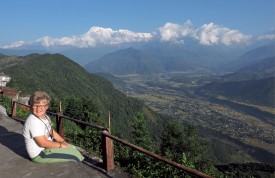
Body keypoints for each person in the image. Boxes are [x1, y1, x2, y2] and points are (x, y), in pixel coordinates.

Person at [23, 91, 84, 163]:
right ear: (31, 106)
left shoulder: (45, 117)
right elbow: (43, 143)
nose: (38, 108)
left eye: (42, 106)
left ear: (46, 107)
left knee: (72, 148)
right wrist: (61, 145)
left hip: (46, 148)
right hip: (40, 154)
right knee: (75, 155)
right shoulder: (33, 121)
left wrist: (63, 142)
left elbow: (51, 131)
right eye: (36, 105)